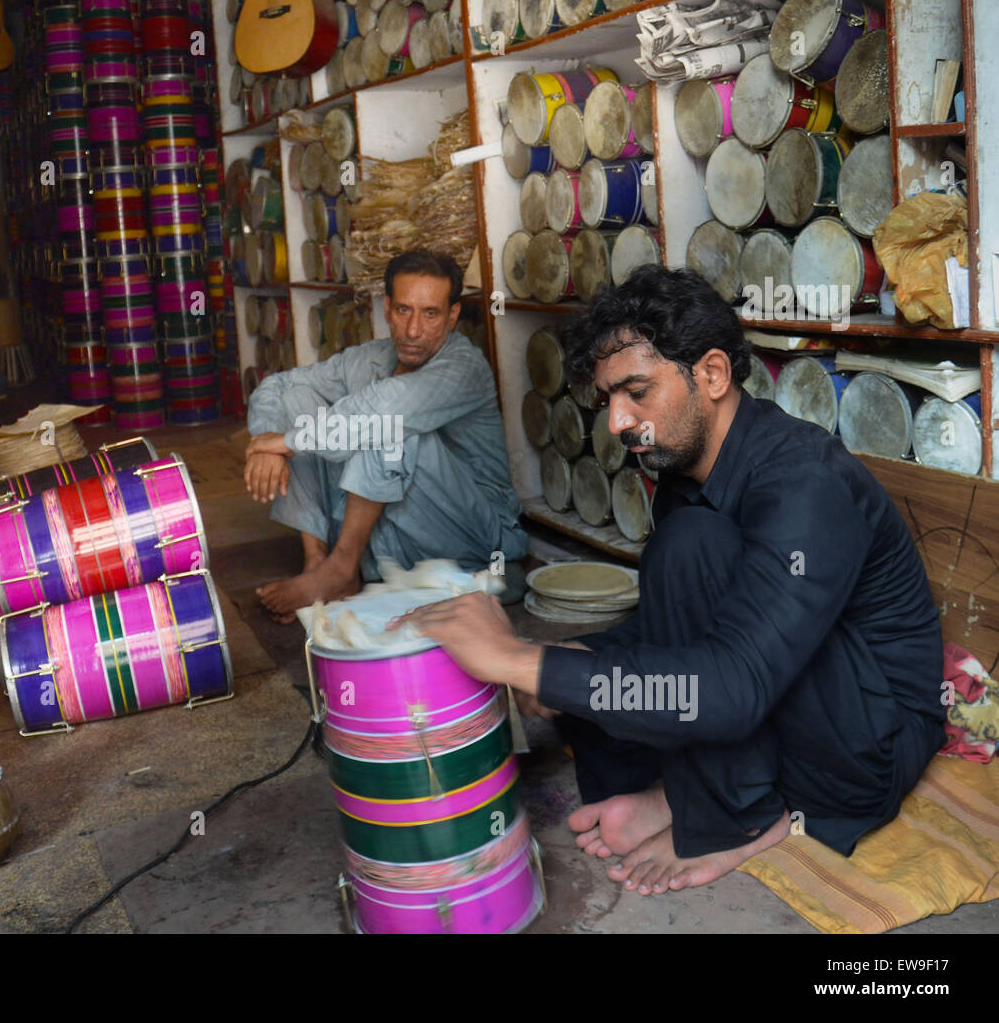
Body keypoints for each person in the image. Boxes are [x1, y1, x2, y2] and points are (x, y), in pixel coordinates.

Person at [392, 265, 945, 895]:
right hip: (776, 685)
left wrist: (521, 660)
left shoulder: (803, 483)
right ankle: (689, 792)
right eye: (609, 401)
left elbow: (734, 683)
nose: (619, 421)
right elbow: (685, 624)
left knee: (650, 629)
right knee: (599, 668)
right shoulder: (684, 472)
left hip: (867, 743)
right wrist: (567, 661)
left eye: (636, 392)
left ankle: (741, 816)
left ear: (710, 374)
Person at [244, 249, 529, 623]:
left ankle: (342, 568)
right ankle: (319, 564)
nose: (413, 330)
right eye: (403, 310)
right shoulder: (367, 359)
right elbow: (279, 387)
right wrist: (267, 439)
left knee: (386, 426)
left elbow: (385, 409)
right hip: (393, 543)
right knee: (300, 399)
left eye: (431, 314)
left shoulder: (464, 366)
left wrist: (285, 443)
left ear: (453, 316)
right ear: (387, 308)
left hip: (473, 538)